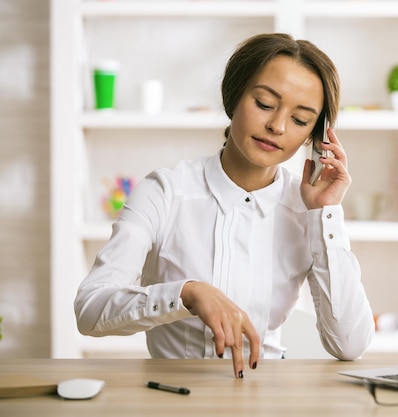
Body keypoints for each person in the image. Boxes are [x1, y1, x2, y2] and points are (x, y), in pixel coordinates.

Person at [74, 33, 374, 379]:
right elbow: (89, 309)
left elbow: (350, 344)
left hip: (268, 396)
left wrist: (324, 216)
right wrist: (185, 294)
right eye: (264, 104)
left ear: (314, 137)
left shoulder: (307, 211)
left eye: (300, 120)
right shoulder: (166, 192)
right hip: (173, 397)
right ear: (234, 97)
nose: (276, 126)